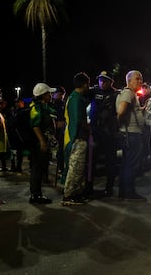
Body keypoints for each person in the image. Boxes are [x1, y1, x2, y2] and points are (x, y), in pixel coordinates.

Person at [87, 71, 119, 198]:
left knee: (110, 163)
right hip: (95, 133)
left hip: (109, 134)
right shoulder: (94, 92)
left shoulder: (116, 94)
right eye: (100, 80)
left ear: (111, 81)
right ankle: (89, 187)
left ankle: (109, 189)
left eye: (105, 80)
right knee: (91, 162)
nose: (102, 82)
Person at [116, 70, 146, 201]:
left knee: (126, 164)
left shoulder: (130, 94)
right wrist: (120, 125)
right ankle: (129, 192)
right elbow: (121, 112)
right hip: (132, 134)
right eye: (137, 79)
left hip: (130, 134)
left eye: (141, 79)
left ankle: (124, 191)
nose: (140, 81)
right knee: (131, 164)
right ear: (129, 81)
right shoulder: (128, 93)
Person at [61, 72, 91, 206]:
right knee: (76, 167)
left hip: (74, 136)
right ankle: (69, 195)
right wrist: (90, 130)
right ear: (84, 84)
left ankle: (76, 193)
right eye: (88, 84)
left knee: (78, 167)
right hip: (77, 137)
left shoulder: (73, 97)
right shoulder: (77, 98)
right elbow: (79, 120)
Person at [28, 83, 57, 204]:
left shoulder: (44, 106)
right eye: (48, 93)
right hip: (38, 144)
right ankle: (36, 195)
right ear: (42, 95)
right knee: (37, 168)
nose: (50, 95)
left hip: (42, 142)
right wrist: (42, 142)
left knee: (39, 167)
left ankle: (37, 194)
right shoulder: (36, 108)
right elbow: (35, 126)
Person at [50, 86, 66, 176]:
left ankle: (61, 168)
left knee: (61, 150)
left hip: (62, 130)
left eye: (62, 94)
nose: (61, 96)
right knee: (58, 151)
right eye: (59, 94)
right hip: (55, 131)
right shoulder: (52, 105)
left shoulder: (63, 104)